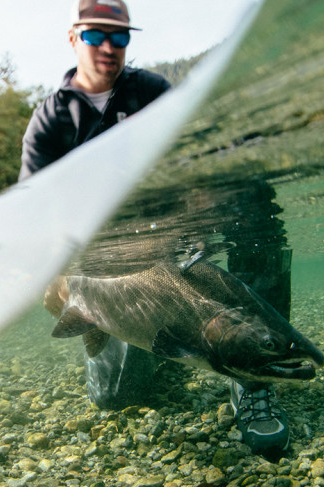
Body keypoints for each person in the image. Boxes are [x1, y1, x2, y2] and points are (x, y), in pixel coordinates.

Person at [19, 0, 292, 458]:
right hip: (109, 261)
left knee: (254, 206)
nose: (109, 46)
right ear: (73, 39)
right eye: (95, 35)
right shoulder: (49, 120)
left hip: (172, 239)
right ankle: (166, 350)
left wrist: (197, 210)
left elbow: (194, 155)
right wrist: (55, 274)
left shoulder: (151, 91)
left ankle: (253, 375)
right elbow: (34, 214)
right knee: (114, 399)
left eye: (120, 36)